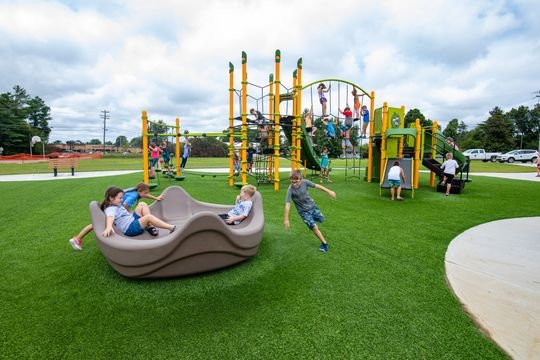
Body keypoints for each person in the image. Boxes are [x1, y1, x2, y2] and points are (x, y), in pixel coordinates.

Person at [69, 183, 165, 250]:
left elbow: (144, 195)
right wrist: (126, 214)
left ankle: (77, 238)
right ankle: (77, 239)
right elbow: (125, 205)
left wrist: (155, 198)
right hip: (116, 211)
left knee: (94, 225)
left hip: (114, 209)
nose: (147, 194)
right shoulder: (133, 196)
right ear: (140, 191)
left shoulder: (134, 191)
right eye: (146, 192)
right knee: (99, 224)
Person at [283, 169, 336, 253]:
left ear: (301, 179)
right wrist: (286, 219)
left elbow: (317, 186)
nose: (294, 184)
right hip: (303, 212)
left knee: (321, 219)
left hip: (312, 207)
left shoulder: (305, 182)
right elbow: (287, 204)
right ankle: (324, 244)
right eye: (292, 182)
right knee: (314, 227)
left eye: (296, 181)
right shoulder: (290, 190)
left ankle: (313, 219)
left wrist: (328, 191)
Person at [101, 186, 176, 238]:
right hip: (130, 229)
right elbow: (110, 217)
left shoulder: (116, 204)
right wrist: (109, 227)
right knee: (148, 217)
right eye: (120, 198)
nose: (122, 199)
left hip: (132, 221)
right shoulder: (111, 209)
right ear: (111, 198)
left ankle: (149, 226)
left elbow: (144, 195)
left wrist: (156, 198)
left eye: (122, 198)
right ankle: (171, 228)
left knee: (142, 204)